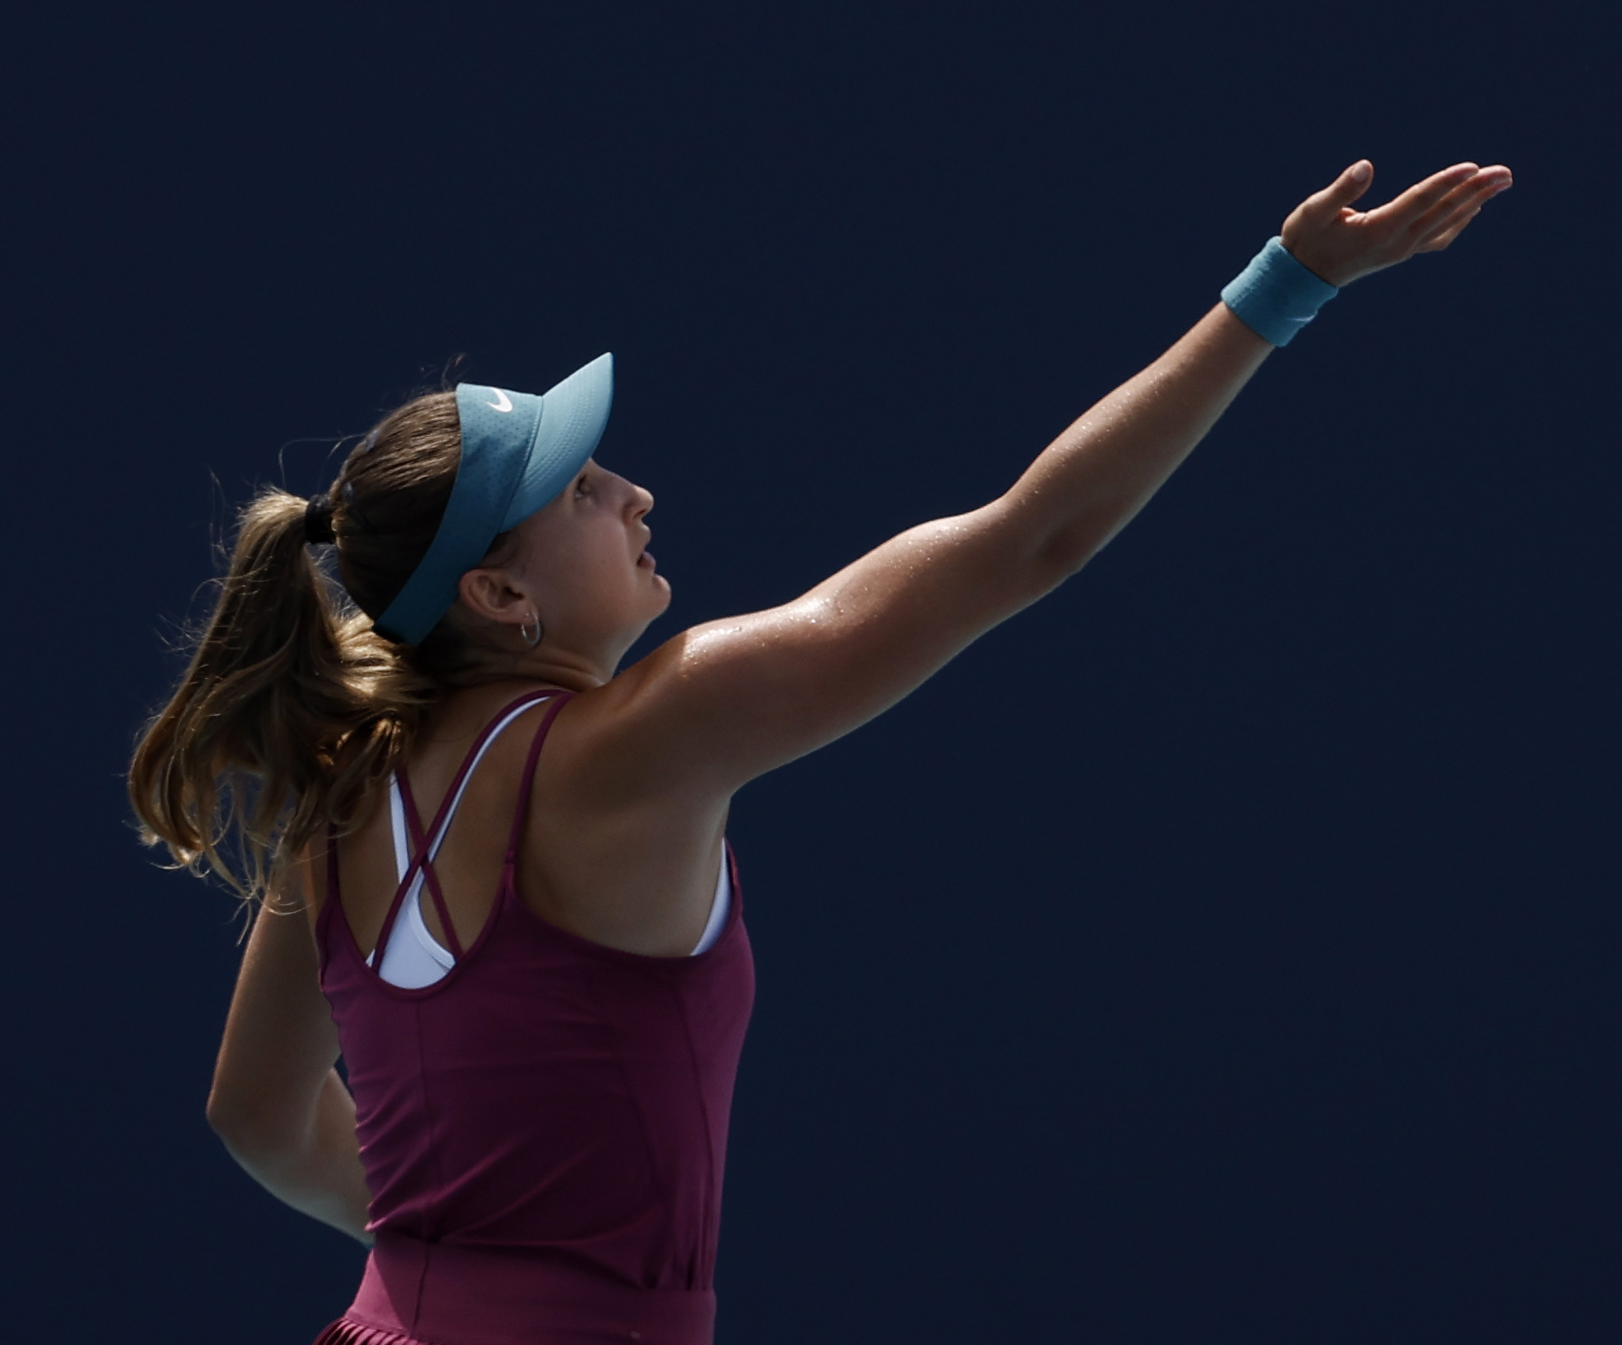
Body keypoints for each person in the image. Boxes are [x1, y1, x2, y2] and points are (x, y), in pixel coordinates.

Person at [129, 156, 1512, 1345]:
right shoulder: (642, 734)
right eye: (581, 485)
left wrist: (461, 1249)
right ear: (500, 597)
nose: (632, 491)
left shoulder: (338, 805)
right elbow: (1030, 536)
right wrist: (1283, 287)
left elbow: (255, 1114)